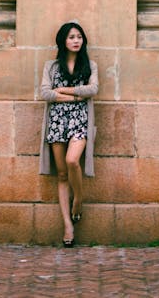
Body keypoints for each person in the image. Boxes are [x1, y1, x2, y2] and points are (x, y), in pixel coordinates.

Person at [39, 21, 98, 247]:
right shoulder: (51, 67)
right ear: (63, 41)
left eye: (79, 37)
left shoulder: (90, 65)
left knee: (73, 160)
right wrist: (75, 96)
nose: (76, 41)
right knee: (62, 175)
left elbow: (92, 90)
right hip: (56, 121)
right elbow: (45, 93)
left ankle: (79, 200)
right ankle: (67, 226)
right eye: (71, 37)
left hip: (79, 120)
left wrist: (63, 90)